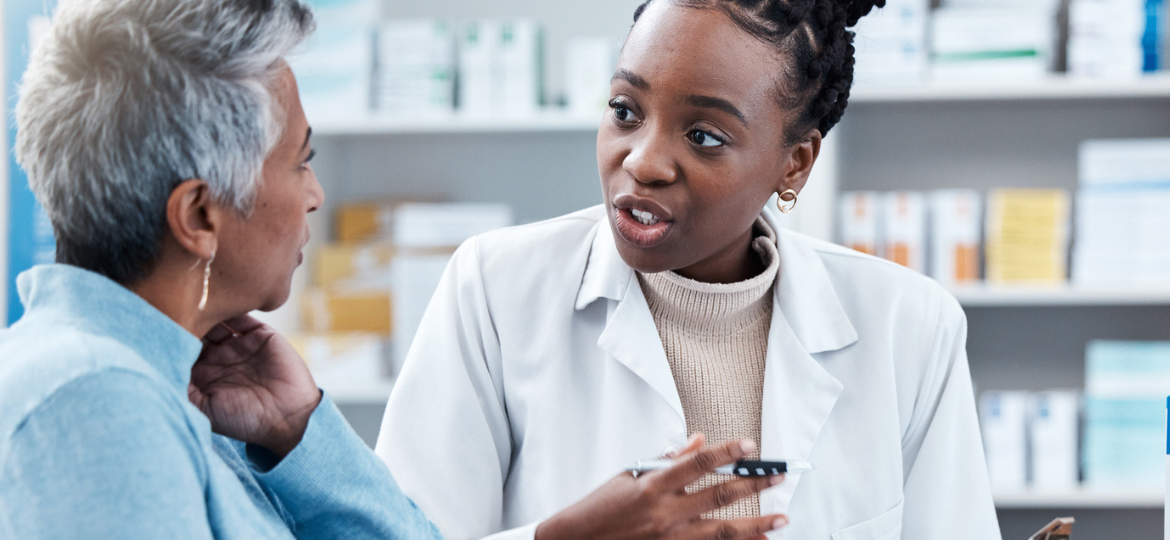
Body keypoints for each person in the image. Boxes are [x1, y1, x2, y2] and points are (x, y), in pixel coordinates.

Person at [0, 0, 786, 538]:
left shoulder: (177, 386)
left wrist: (299, 432)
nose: (314, 195)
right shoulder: (92, 398)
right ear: (201, 216)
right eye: (300, 160)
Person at [376, 0, 1004, 539]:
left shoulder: (910, 326)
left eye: (703, 136)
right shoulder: (495, 289)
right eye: (625, 110)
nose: (643, 161)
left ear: (796, 164)